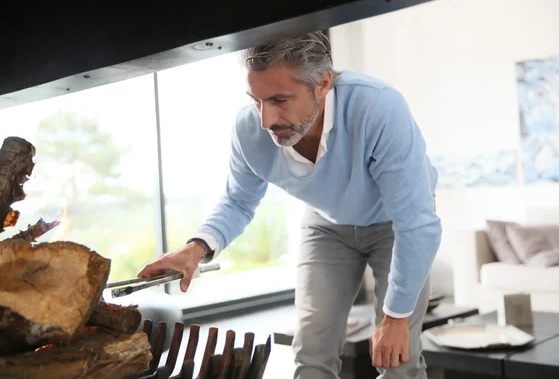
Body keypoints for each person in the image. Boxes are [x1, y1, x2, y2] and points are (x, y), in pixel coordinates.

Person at [137, 31, 441, 379]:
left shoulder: (377, 108)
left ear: (323, 83)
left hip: (396, 225)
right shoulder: (250, 129)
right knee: (311, 351)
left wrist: (396, 318)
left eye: (281, 99)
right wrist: (196, 247)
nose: (267, 119)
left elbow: (416, 221)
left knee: (398, 360)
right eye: (257, 100)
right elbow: (239, 200)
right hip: (327, 224)